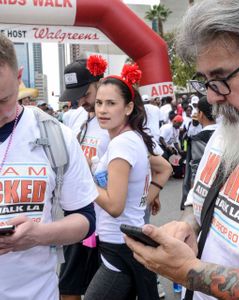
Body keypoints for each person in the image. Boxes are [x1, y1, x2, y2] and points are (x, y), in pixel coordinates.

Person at [125, 0, 239, 299]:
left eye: (220, 79)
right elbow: (201, 200)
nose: (210, 97)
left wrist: (189, 272)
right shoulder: (236, 119)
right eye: (204, 81)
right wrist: (186, 226)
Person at [0, 34, 97, 299]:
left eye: (3, 100)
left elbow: (86, 219)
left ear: (19, 77)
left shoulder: (55, 135)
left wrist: (38, 235)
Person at [84, 63, 170, 300]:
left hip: (119, 244)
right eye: (99, 102)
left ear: (129, 107)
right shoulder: (127, 138)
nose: (102, 109)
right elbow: (164, 169)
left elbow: (114, 206)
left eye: (111, 103)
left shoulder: (123, 143)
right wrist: (142, 200)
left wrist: (83, 182)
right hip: (123, 241)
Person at [58, 56, 110, 300]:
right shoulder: (77, 117)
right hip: (77, 216)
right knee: (68, 285)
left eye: (85, 93)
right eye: (75, 95)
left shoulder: (114, 121)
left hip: (104, 224)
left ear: (99, 82)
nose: (81, 101)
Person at [180, 96, 217, 210]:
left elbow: (195, 171)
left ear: (201, 114)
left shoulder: (197, 140)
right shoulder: (226, 134)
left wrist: (191, 198)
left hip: (203, 194)